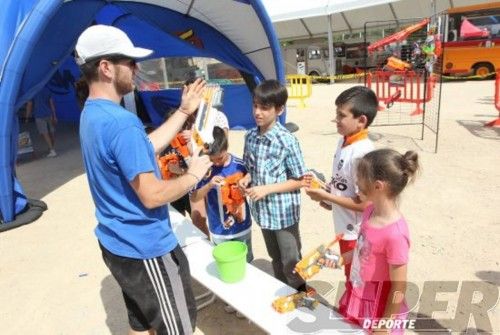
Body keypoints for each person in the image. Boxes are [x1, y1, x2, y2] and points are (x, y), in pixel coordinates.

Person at [75, 25, 212, 335]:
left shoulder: (93, 114)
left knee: (140, 322)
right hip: (146, 249)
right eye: (130, 62)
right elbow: (151, 195)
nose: (136, 69)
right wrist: (193, 174)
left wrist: (182, 111)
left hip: (116, 244)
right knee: (177, 327)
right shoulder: (122, 123)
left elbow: (142, 149)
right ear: (107, 68)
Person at [325, 148, 420, 334]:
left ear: (378, 186)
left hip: (380, 308)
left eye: (360, 180)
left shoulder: (395, 235)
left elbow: (399, 286)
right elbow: (363, 250)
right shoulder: (369, 211)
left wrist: (385, 325)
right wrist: (340, 259)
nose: (357, 185)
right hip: (358, 294)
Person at [239, 79, 308, 291]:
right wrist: (247, 178)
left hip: (283, 214)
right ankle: (283, 292)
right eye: (255, 106)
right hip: (263, 212)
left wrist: (266, 189)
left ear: (280, 109)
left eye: (265, 107)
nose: (258, 112)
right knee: (275, 258)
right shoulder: (250, 137)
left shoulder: (286, 140)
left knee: (291, 260)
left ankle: (302, 294)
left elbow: (300, 179)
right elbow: (249, 167)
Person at [305, 86, 378, 281]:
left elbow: (366, 204)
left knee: (356, 277)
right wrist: (327, 196)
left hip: (356, 233)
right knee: (350, 275)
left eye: (341, 115)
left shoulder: (362, 154)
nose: (335, 119)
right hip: (344, 226)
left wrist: (328, 196)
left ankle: (354, 311)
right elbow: (344, 185)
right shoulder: (344, 141)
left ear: (361, 120)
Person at [191, 126, 253, 261]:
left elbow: (253, 190)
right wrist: (209, 185)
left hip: (242, 227)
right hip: (218, 230)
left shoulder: (240, 165)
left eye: (220, 158)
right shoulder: (204, 169)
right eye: (212, 159)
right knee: (224, 263)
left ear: (226, 148)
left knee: (247, 264)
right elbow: (195, 197)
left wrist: (244, 185)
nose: (216, 163)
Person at [25, 86, 58, 157]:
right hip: (49, 113)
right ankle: (51, 148)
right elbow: (51, 103)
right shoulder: (47, 89)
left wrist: (27, 116)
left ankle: (52, 150)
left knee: (45, 133)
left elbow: (29, 105)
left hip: (39, 115)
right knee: (52, 132)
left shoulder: (32, 92)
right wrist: (54, 115)